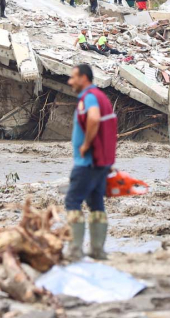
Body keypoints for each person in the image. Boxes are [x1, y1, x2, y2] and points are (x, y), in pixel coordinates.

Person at [65, 64, 116, 261]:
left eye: (73, 77)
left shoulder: (89, 97)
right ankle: (97, 250)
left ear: (84, 78)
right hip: (101, 162)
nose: (70, 81)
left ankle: (75, 250)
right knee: (96, 204)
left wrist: (86, 144)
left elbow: (93, 119)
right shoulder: (102, 97)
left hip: (88, 162)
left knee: (72, 201)